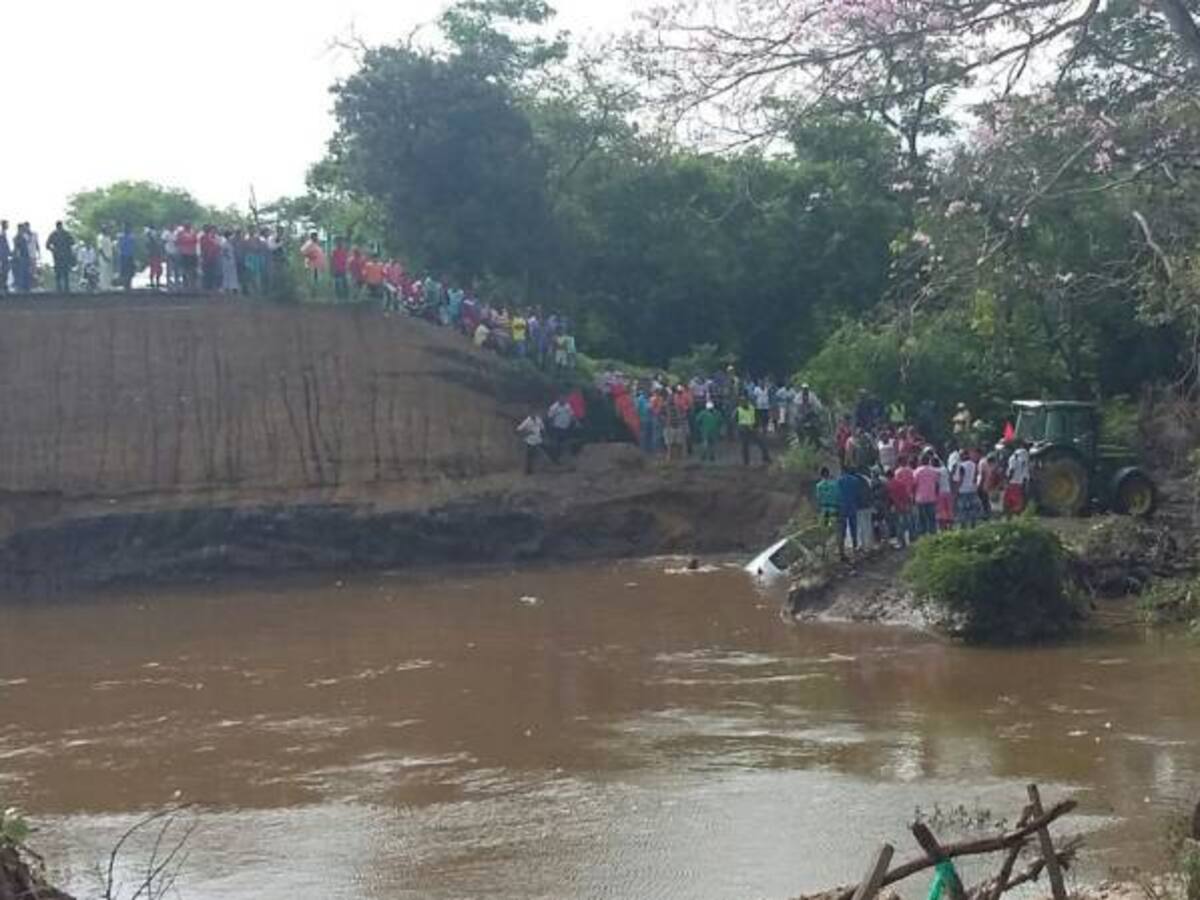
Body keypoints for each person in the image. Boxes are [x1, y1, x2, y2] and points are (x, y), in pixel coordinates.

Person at [736, 396, 771, 466]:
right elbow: (735, 421)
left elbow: (757, 418)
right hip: (743, 429)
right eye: (741, 402)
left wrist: (756, 426)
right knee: (745, 446)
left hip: (752, 428)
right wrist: (740, 428)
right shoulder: (738, 410)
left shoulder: (752, 408)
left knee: (761, 443)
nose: (743, 403)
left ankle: (766, 457)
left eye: (744, 402)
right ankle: (746, 461)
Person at [837, 466, 863, 559]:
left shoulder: (839, 481)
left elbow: (838, 494)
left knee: (842, 529)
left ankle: (842, 549)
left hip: (842, 507)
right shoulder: (855, 480)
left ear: (842, 471)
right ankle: (855, 545)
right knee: (854, 527)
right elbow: (858, 494)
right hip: (853, 506)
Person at [953, 447, 981, 528]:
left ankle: (963, 526)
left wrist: (956, 490)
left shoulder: (961, 466)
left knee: (963, 510)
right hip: (972, 489)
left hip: (963, 490)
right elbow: (975, 477)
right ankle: (973, 525)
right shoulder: (974, 464)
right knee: (972, 509)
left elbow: (960, 479)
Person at [914, 454, 940, 537]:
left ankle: (923, 536)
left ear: (921, 461)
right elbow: (937, 484)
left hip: (920, 498)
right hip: (931, 497)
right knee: (932, 518)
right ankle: (933, 535)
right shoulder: (933, 471)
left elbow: (914, 484)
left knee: (921, 519)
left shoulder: (917, 471)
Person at [46, 221, 75, 293]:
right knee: (58, 272)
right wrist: (53, 250)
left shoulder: (66, 234)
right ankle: (59, 288)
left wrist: (67, 247)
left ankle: (66, 288)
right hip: (58, 256)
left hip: (65, 255)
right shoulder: (54, 234)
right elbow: (47, 245)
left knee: (65, 272)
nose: (60, 228)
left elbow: (72, 242)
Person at [516, 410, 548, 475]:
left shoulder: (538, 419)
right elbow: (518, 430)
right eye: (532, 413)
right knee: (529, 456)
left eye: (534, 413)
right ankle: (528, 471)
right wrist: (527, 432)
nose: (533, 414)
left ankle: (541, 467)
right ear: (530, 414)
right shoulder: (527, 421)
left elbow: (542, 428)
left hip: (538, 440)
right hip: (530, 441)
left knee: (541, 454)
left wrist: (544, 434)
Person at [1005, 441, 1031, 516]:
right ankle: (1020, 513)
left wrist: (1007, 480)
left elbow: (1011, 470)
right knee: (1021, 498)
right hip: (1022, 480)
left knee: (1011, 500)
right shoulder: (1025, 456)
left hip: (1013, 482)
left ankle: (1012, 515)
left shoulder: (1014, 457)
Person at [546, 396, 575, 461]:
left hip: (566, 428)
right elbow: (550, 417)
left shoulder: (568, 406)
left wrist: (573, 422)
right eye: (561, 398)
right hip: (557, 428)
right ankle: (555, 457)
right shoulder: (554, 407)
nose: (563, 400)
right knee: (556, 443)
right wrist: (551, 426)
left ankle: (564, 457)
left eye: (564, 399)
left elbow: (572, 415)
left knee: (565, 443)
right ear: (558, 399)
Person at [175, 223, 199, 290]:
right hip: (184, 253)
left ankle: (192, 284)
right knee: (184, 269)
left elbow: (195, 241)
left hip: (192, 253)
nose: (188, 227)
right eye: (187, 226)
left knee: (192, 269)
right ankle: (185, 284)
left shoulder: (193, 232)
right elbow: (178, 241)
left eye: (189, 225)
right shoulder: (181, 233)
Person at [935, 457, 955, 531]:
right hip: (948, 491)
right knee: (949, 510)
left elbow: (936, 484)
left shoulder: (936, 471)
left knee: (941, 512)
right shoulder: (945, 469)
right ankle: (951, 527)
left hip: (940, 493)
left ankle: (943, 528)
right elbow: (950, 478)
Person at [117, 224, 137, 290]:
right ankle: (125, 284)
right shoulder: (121, 236)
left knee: (130, 271)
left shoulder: (131, 237)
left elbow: (133, 246)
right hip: (123, 255)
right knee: (124, 271)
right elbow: (119, 246)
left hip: (130, 256)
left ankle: (129, 284)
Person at [0, 220, 11, 296]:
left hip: (5, 256)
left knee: (5, 271)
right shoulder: (2, 235)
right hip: (3, 256)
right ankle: (3, 287)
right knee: (4, 271)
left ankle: (4, 286)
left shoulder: (4, 235)